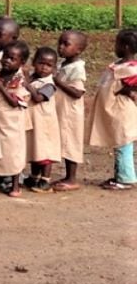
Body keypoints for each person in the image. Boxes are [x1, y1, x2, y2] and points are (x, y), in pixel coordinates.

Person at [88, 28, 137, 190]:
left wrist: (127, 91)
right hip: (117, 112)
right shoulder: (119, 66)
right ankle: (119, 176)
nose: (114, 46)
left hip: (123, 111)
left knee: (123, 144)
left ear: (127, 47)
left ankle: (126, 179)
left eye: (117, 43)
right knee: (118, 143)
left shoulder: (130, 69)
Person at [0, 41, 31, 198]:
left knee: (13, 151)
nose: (7, 60)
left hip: (12, 122)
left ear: (21, 62)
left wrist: (1, 88)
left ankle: (15, 184)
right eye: (6, 57)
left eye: (12, 58)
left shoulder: (19, 79)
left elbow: (16, 102)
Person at [53, 30, 88, 191]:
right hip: (62, 109)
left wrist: (58, 82)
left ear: (78, 49)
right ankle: (67, 176)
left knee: (71, 142)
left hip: (71, 113)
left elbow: (78, 92)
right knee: (64, 141)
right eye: (60, 43)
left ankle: (72, 178)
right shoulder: (63, 64)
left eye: (66, 44)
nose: (61, 47)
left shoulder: (77, 68)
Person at [25, 46, 61, 192]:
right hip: (34, 121)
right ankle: (34, 176)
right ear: (34, 62)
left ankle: (45, 179)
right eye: (41, 63)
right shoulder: (33, 78)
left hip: (45, 123)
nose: (44, 68)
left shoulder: (49, 84)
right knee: (35, 149)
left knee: (45, 151)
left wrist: (28, 86)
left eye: (49, 65)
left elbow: (38, 98)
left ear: (53, 68)